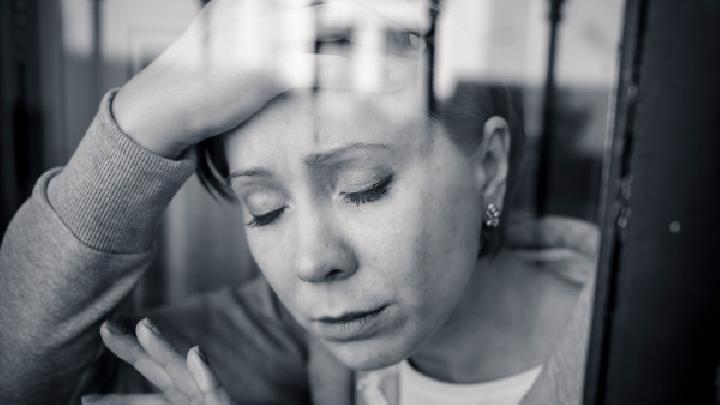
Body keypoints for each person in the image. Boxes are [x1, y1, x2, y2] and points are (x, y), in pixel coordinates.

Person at [0, 1, 598, 404]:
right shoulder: (296, 334)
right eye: (264, 208)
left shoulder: (631, 352)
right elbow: (25, 378)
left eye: (363, 186)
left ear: (488, 167)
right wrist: (141, 120)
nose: (312, 262)